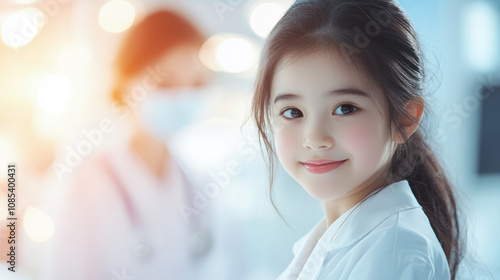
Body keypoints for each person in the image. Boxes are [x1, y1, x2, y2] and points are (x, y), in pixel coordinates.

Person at [250, 0, 464, 279]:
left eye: (345, 108)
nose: (315, 139)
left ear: (405, 119)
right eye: (293, 112)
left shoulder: (393, 254)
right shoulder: (338, 237)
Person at [40, 9, 230, 280]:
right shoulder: (86, 180)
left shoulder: (197, 185)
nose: (183, 96)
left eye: (196, 84)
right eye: (166, 83)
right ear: (127, 80)